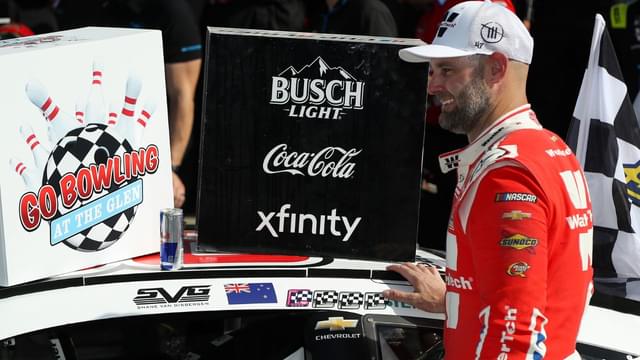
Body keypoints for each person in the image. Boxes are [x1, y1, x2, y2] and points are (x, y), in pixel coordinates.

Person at [383, 1, 593, 359]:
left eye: (447, 70)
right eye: (432, 71)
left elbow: (517, 335)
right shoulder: (550, 148)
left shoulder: (507, 174)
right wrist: (455, 300)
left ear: (496, 68)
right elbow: (543, 294)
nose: (432, 85)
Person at [54, 0, 202, 208]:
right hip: (98, 135)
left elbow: (183, 97)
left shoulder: (172, 12)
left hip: (152, 140)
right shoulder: (82, 8)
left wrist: (170, 168)